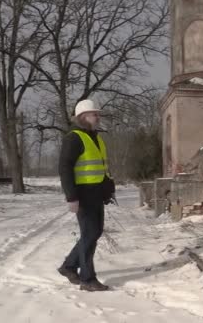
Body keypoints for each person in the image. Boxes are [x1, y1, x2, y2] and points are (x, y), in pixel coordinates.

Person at [57, 99, 115, 292]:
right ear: (83, 117)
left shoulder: (96, 137)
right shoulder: (74, 137)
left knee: (94, 233)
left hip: (97, 193)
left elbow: (101, 168)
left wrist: (108, 190)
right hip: (83, 195)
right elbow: (65, 168)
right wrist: (71, 197)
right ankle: (87, 279)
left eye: (98, 114)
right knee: (89, 234)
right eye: (94, 114)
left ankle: (69, 266)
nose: (98, 117)